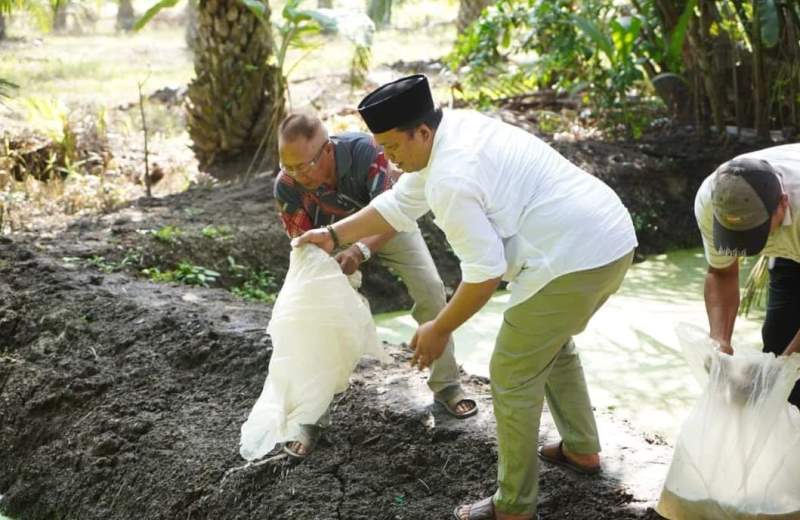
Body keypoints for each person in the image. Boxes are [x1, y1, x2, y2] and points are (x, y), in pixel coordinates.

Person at [292, 75, 637, 520]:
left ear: (422, 132)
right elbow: (398, 204)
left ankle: (513, 506)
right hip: (609, 236)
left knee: (511, 370)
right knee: (547, 342)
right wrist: (334, 234)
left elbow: (484, 274)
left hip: (576, 254)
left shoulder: (451, 179)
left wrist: (440, 327)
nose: (388, 160)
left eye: (393, 148)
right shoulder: (451, 131)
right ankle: (581, 449)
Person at [274, 112, 478, 460]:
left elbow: (397, 212)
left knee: (430, 288)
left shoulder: (367, 153)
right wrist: (328, 277)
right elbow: (303, 245)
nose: (296, 174)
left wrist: (360, 248)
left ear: (327, 149)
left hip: (385, 226)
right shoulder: (287, 185)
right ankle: (309, 418)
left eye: (304, 164)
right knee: (315, 317)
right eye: (287, 165)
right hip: (328, 242)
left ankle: (447, 385)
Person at [694, 143, 800, 408]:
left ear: (782, 203)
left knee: (787, 368)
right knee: (778, 340)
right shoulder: (711, 199)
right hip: (790, 247)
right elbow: (721, 272)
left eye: (757, 232)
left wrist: (783, 369)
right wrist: (720, 342)